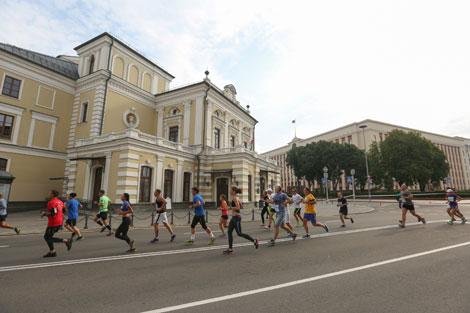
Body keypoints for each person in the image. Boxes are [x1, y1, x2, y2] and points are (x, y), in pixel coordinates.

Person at [223, 187, 259, 254]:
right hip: (233, 218)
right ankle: (230, 249)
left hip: (237, 218)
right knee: (229, 232)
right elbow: (241, 206)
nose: (230, 191)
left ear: (234, 191)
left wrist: (230, 208)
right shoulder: (236, 198)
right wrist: (237, 204)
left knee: (239, 233)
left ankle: (254, 240)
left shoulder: (235, 198)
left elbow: (238, 207)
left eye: (230, 190)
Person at [41, 190, 72, 257]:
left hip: (53, 222)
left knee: (47, 237)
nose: (49, 194)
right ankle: (52, 252)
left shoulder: (51, 202)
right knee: (48, 237)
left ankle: (66, 241)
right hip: (59, 221)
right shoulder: (60, 202)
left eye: (50, 193)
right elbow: (63, 210)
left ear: (52, 194)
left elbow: (53, 212)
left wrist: (45, 213)